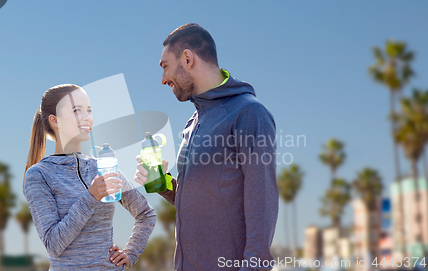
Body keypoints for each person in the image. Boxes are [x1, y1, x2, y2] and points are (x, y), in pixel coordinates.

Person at [134, 23, 279, 271]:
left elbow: (262, 206)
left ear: (188, 58)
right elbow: (201, 198)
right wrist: (163, 183)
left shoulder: (249, 113)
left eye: (165, 67)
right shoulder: (194, 121)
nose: (163, 79)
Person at [23, 84, 156, 270]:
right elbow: (53, 245)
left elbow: (146, 214)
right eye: (77, 110)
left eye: (89, 110)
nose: (87, 117)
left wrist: (130, 253)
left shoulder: (103, 166)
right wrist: (91, 197)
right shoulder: (39, 175)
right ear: (55, 120)